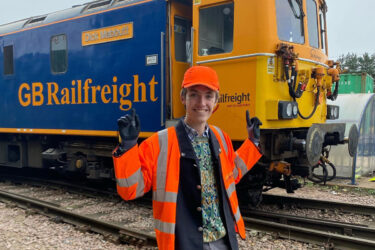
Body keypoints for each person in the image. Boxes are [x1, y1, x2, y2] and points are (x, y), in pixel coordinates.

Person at [112, 66, 262, 250]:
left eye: (208, 95)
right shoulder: (159, 143)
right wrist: (127, 147)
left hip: (224, 240)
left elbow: (231, 175)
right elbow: (130, 190)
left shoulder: (221, 137)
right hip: (182, 243)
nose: (202, 102)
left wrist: (253, 143)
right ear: (183, 98)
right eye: (194, 94)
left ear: (216, 101)